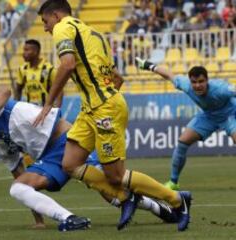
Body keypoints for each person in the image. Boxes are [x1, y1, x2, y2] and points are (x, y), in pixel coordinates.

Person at [33, 0, 192, 231]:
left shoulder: (62, 27)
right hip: (92, 109)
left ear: (56, 16)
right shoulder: (93, 34)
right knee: (69, 164)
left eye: (45, 22)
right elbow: (117, 78)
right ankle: (126, 198)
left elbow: (66, 65)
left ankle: (177, 199)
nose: (46, 28)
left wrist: (48, 103)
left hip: (102, 108)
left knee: (116, 175)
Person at [0, 88, 179, 231]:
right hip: (50, 159)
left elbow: (5, 92)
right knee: (17, 188)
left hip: (69, 140)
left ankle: (162, 206)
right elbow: (18, 172)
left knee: (112, 192)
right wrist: (38, 219)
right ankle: (70, 218)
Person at [136, 57, 236, 190]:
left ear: (207, 81)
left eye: (201, 81)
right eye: (194, 82)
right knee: (182, 142)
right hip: (208, 116)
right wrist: (148, 66)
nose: (197, 85)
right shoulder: (185, 85)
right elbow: (168, 74)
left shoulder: (221, 88)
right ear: (190, 81)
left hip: (229, 115)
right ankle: (173, 182)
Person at [15, 39, 63, 107]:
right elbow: (18, 90)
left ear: (35, 52)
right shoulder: (22, 69)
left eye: (27, 50)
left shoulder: (49, 69)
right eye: (24, 50)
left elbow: (59, 90)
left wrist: (57, 109)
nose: (23, 53)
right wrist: (17, 106)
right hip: (30, 111)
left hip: (46, 110)